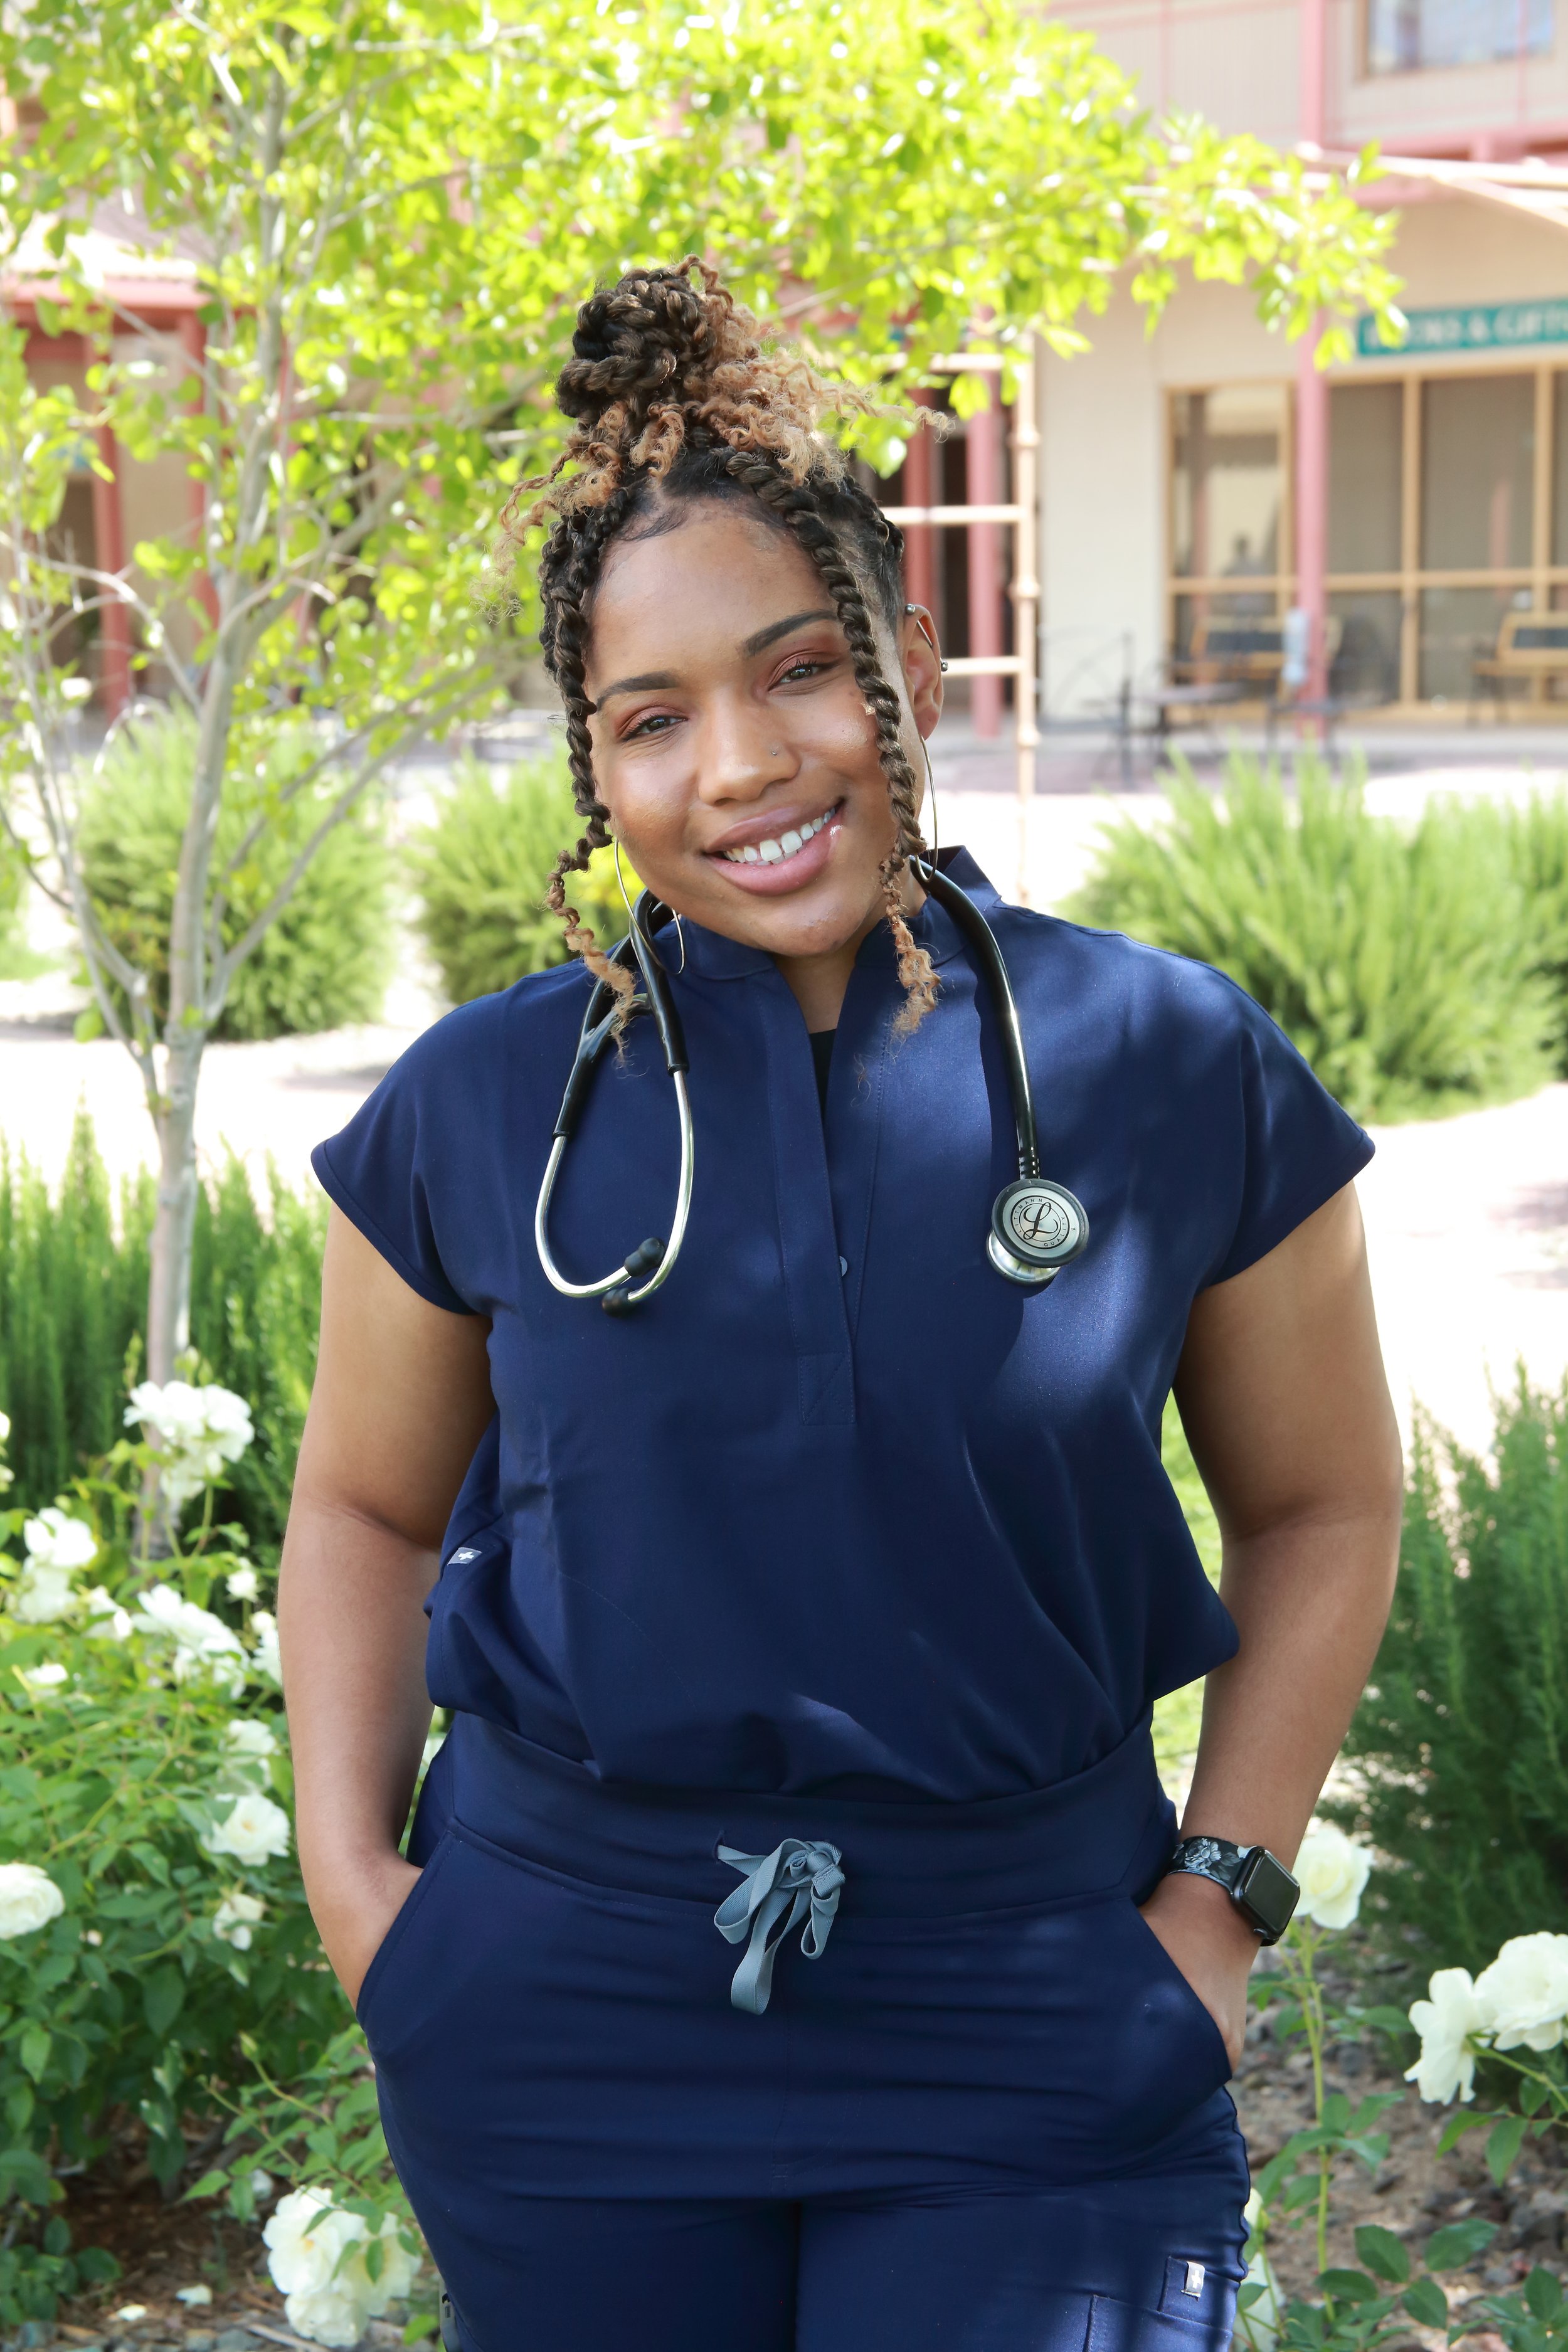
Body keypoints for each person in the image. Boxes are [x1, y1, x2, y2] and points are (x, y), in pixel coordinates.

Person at [278, 260, 1403, 2352]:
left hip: (1036, 1990)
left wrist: (1217, 1911)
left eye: (799, 671)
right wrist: (368, 1907)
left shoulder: (1165, 1064)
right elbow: (360, 1511)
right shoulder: (481, 1105)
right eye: (650, 717)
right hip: (564, 2000)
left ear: (914, 663)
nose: (738, 764)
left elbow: (1323, 1504)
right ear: (594, 763)